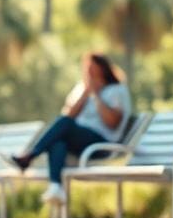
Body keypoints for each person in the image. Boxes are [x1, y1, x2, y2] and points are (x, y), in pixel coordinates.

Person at [12, 53, 131, 204]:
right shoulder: (82, 88)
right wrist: (87, 92)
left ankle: (30, 156)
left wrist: (97, 95)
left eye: (93, 69)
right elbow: (69, 115)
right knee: (57, 142)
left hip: (102, 142)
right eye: (87, 69)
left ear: (103, 69)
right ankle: (55, 187)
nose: (89, 73)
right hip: (79, 142)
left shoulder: (116, 90)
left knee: (64, 124)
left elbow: (112, 123)